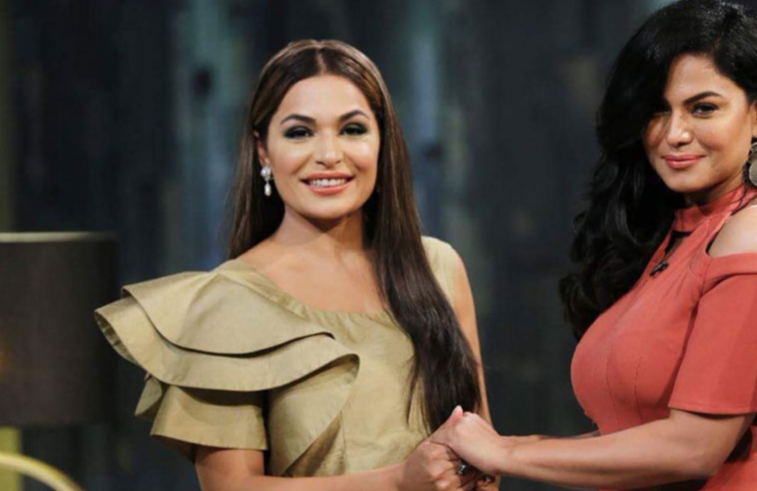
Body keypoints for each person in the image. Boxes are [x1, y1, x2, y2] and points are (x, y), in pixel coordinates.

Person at [431, 1, 757, 489]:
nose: (674, 134)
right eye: (657, 109)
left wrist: (504, 452)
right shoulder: (680, 234)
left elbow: (694, 448)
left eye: (703, 108)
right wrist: (501, 447)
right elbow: (634, 436)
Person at [96, 39, 494, 491]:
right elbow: (233, 489)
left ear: (382, 143)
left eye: (352, 129)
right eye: (300, 133)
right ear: (263, 151)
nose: (329, 154)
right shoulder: (225, 302)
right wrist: (398, 481)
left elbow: (483, 461)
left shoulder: (438, 267)